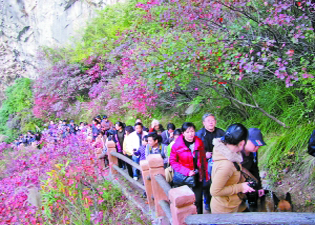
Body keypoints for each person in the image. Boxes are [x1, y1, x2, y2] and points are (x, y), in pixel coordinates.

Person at [210, 123, 255, 214]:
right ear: (242, 143)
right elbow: (215, 191)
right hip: (224, 210)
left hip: (230, 203)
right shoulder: (226, 165)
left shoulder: (229, 153)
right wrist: (240, 187)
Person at [169, 122, 209, 214]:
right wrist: (186, 171)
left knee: (198, 200)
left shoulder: (199, 142)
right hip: (184, 177)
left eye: (192, 131)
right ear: (183, 133)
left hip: (197, 175)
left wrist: (205, 175)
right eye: (187, 132)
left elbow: (203, 159)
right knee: (185, 200)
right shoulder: (177, 145)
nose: (190, 134)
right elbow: (173, 161)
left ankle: (199, 219)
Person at [196, 113, 225, 211]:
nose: (211, 122)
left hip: (219, 160)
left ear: (215, 122)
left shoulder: (221, 133)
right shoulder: (199, 135)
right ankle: (207, 201)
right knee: (206, 183)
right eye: (208, 121)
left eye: (213, 120)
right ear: (204, 123)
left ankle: (220, 201)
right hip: (205, 162)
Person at [241, 128, 266, 206]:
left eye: (259, 146)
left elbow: (254, 169)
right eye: (255, 145)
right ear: (246, 140)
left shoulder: (253, 153)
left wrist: (259, 187)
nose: (257, 148)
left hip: (246, 178)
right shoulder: (236, 152)